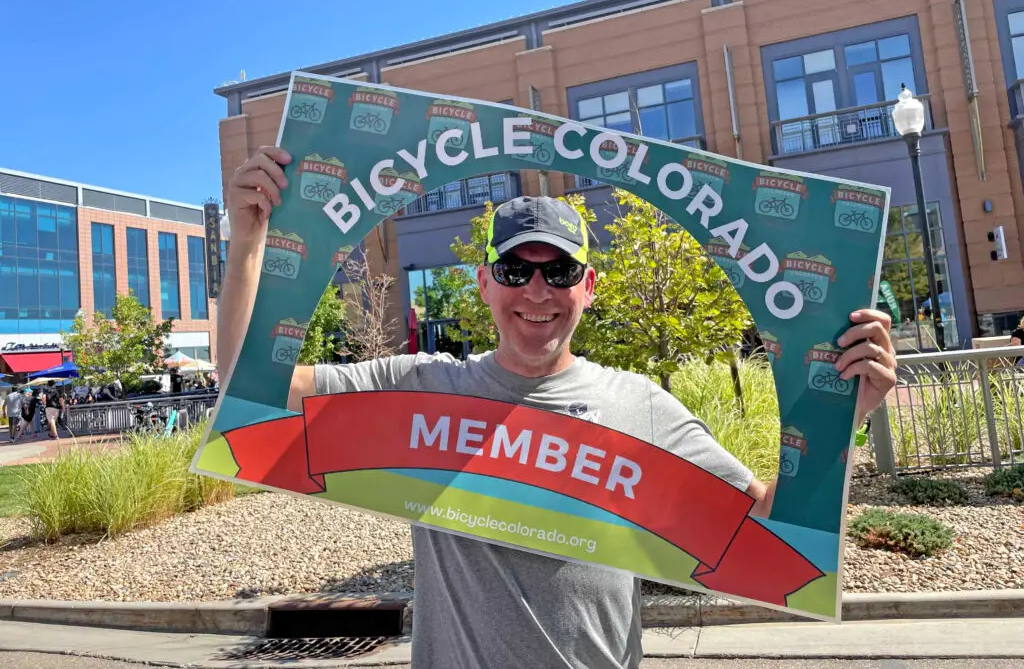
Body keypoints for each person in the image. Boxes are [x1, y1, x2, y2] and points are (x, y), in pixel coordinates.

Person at [220, 146, 899, 669]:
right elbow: (244, 385)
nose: (537, 292)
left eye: (560, 271)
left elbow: (761, 524)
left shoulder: (641, 407)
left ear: (589, 286)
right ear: (484, 283)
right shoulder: (421, 385)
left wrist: (844, 418)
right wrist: (249, 241)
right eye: (516, 271)